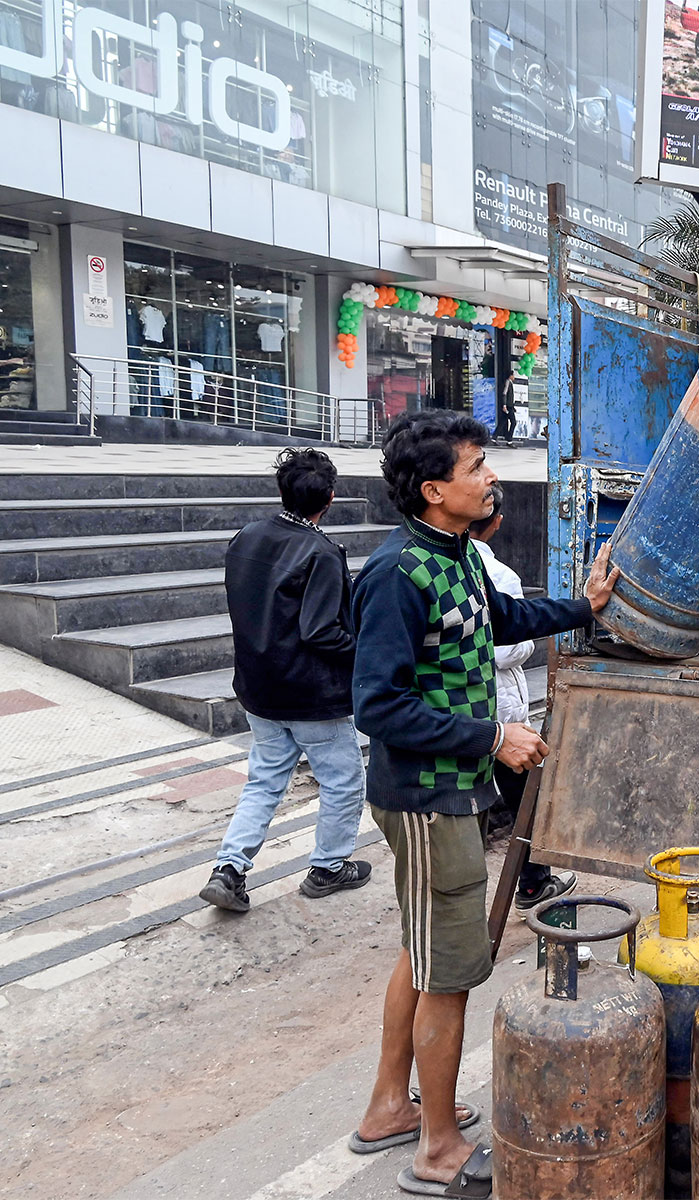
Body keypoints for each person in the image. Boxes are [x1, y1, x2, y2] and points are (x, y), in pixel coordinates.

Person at [348, 412, 619, 1194]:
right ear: (436, 490)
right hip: (427, 799)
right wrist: (491, 737)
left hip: (448, 792)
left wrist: (581, 607)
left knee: (422, 949)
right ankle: (437, 1149)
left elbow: (499, 619)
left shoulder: (458, 556)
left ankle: (386, 1110)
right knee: (452, 971)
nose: (490, 476)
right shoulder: (397, 575)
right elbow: (378, 706)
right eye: (476, 467)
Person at [198, 449, 369, 913]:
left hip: (259, 687)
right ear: (330, 499)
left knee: (265, 781)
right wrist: (367, 654)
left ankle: (229, 868)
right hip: (311, 693)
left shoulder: (246, 537)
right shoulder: (323, 552)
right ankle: (329, 867)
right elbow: (321, 632)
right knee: (343, 780)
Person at [465, 484, 575, 910]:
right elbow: (510, 645)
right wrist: (526, 642)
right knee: (525, 796)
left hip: (473, 714)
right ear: (496, 523)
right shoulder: (501, 575)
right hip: (502, 712)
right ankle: (531, 883)